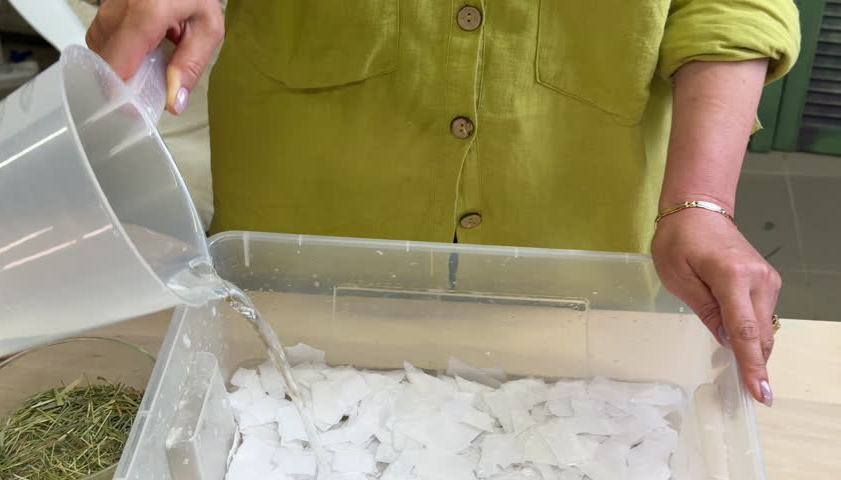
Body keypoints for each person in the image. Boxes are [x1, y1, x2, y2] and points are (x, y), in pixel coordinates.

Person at [85, 0, 800, 407]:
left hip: (574, 229)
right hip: (306, 208)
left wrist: (702, 204)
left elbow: (733, 7)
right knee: (275, 398)